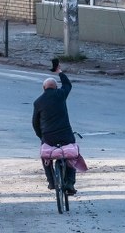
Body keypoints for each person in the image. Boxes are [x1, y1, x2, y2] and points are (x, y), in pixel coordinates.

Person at [32, 61, 77, 194]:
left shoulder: (38, 102)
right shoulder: (60, 95)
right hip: (66, 136)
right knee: (72, 155)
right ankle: (69, 182)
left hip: (49, 137)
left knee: (44, 156)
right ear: (56, 88)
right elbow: (68, 85)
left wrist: (42, 137)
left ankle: (51, 182)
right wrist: (59, 72)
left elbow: (35, 123)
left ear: (43, 88)